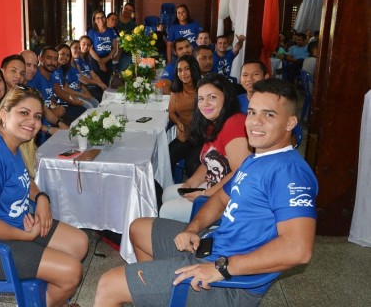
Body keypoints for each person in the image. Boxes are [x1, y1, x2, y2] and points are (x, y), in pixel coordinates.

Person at [93, 79, 318, 307]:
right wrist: (192, 228)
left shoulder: (289, 173)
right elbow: (220, 198)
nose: (255, 122)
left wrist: (221, 268)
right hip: (213, 244)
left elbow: (298, 249)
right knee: (139, 228)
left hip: (228, 282)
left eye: (269, 115)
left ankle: (155, 289)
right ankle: (157, 295)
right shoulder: (256, 159)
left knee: (108, 285)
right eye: (251, 112)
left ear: (290, 122)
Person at [0, 86, 89, 307]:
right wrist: (25, 237)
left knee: (79, 243)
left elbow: (24, 180)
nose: (32, 122)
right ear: (4, 114)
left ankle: (48, 299)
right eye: (23, 113)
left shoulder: (14, 144)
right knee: (71, 272)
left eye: (36, 116)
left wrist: (42, 198)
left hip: (12, 222)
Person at [160, 74, 251, 222]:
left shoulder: (235, 123)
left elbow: (239, 173)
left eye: (212, 97)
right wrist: (191, 183)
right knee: (168, 194)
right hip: (215, 184)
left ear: (226, 97)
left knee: (166, 210)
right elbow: (207, 162)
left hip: (230, 197)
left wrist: (206, 193)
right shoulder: (213, 123)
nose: (205, 103)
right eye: (201, 99)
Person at [29, 46, 84, 126]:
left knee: (82, 114)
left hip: (53, 114)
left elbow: (51, 97)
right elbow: (32, 111)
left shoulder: (51, 76)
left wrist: (56, 106)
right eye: (49, 58)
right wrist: (54, 113)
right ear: (40, 58)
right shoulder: (34, 78)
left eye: (55, 59)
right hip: (42, 122)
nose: (52, 62)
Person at [168, 55, 202, 180]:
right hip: (185, 136)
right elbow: (171, 112)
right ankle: (168, 188)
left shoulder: (202, 89)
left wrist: (190, 132)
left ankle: (194, 196)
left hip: (201, 136)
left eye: (186, 69)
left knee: (191, 164)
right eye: (179, 70)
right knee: (168, 155)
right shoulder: (176, 90)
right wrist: (178, 123)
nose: (183, 73)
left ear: (193, 69)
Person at [54, 42, 99, 110]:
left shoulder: (63, 69)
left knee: (95, 102)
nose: (65, 57)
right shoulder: (52, 70)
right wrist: (76, 97)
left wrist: (84, 93)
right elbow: (63, 89)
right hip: (63, 100)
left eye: (67, 55)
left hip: (72, 95)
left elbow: (78, 83)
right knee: (89, 107)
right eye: (62, 54)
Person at [87, 10, 118, 86]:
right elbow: (90, 49)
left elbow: (114, 47)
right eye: (97, 18)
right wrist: (100, 62)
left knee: (107, 82)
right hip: (95, 59)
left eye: (102, 17)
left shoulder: (111, 31)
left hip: (108, 58)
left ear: (105, 18)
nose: (100, 20)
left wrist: (106, 60)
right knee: (98, 83)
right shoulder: (91, 32)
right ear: (94, 20)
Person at [74, 35, 108, 102]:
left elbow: (94, 75)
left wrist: (102, 85)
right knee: (99, 99)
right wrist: (98, 83)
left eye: (88, 45)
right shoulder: (75, 59)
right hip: (83, 87)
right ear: (79, 44)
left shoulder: (86, 60)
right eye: (83, 44)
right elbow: (81, 78)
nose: (86, 47)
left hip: (91, 86)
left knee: (105, 95)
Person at [116, 3, 137, 71]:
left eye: (130, 10)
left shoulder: (133, 24)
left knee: (122, 72)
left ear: (132, 12)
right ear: (123, 8)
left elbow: (135, 38)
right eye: (126, 9)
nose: (127, 11)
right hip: (114, 49)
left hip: (126, 51)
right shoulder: (115, 19)